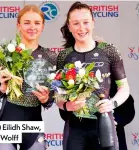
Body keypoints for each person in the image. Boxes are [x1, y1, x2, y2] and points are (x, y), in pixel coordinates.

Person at [56, 1, 130, 150]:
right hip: (75, 129)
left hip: (104, 124)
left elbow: (124, 88)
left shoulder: (109, 50)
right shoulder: (64, 56)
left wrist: (112, 103)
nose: (81, 28)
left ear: (93, 23)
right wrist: (67, 105)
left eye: (86, 22)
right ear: (69, 27)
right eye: (76, 23)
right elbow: (58, 95)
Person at [0, 4, 57, 150]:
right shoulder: (5, 54)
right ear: (18, 25)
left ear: (43, 26)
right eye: (27, 22)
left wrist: (46, 99)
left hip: (33, 125)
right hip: (6, 123)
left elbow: (50, 101)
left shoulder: (50, 57)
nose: (32, 27)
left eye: (37, 23)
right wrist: (2, 88)